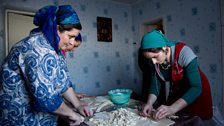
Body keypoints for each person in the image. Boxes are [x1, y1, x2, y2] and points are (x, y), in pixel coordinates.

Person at [0, 5, 92, 126]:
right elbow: (45, 98)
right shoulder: (36, 48)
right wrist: (72, 114)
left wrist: (78, 105)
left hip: (45, 118)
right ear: (57, 29)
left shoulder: (56, 50)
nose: (72, 42)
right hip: (22, 118)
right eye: (71, 36)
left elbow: (62, 83)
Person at [139, 29, 213, 120]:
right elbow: (155, 86)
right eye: (150, 59)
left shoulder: (184, 52)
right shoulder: (154, 62)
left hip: (196, 89)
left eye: (155, 56)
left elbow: (196, 87)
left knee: (195, 119)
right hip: (179, 89)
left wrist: (173, 108)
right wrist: (149, 103)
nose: (153, 62)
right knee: (178, 118)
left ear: (164, 47)